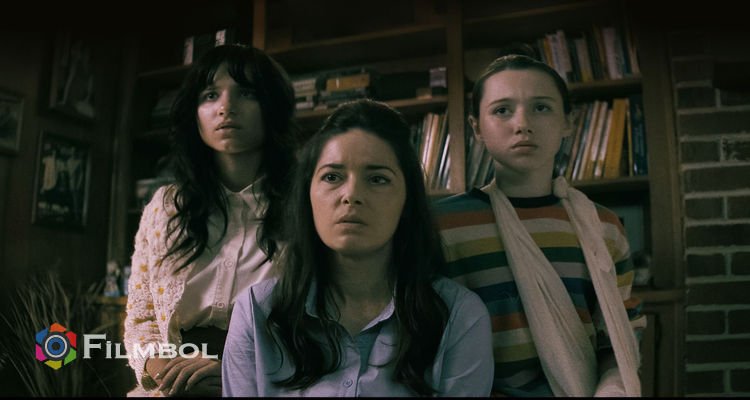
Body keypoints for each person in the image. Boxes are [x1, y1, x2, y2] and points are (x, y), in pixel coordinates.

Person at [222, 99, 494, 397]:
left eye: (377, 179)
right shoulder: (257, 312)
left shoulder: (458, 316)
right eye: (332, 177)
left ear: (407, 200)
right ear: (307, 195)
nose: (351, 194)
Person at [433, 55, 646, 397]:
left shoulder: (604, 227)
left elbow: (620, 337)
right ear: (477, 128)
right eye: (502, 110)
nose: (522, 124)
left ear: (568, 122)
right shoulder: (443, 225)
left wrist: (612, 390)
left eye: (541, 108)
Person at [124, 44, 299, 397]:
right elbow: (141, 320)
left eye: (246, 92)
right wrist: (164, 370)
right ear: (194, 112)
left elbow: (323, 326)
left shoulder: (307, 205)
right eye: (210, 95)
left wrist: (237, 373)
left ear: (272, 105)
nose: (225, 107)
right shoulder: (165, 208)